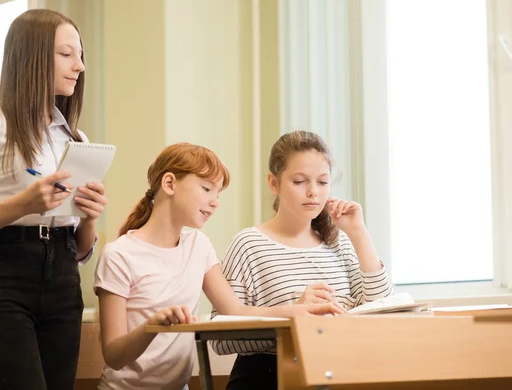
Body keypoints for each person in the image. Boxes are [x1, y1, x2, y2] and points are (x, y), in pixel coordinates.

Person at [0, 9, 107, 390]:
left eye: (80, 55)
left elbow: (79, 251)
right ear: (31, 56)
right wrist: (24, 204)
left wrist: (90, 218)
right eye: (66, 54)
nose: (80, 66)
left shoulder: (75, 139)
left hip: (64, 279)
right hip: (6, 279)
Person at [93, 142, 344, 390]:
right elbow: (114, 355)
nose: (214, 202)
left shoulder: (199, 246)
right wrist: (154, 324)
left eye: (218, 193)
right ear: (169, 184)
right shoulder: (119, 255)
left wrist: (294, 310)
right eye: (206, 189)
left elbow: (235, 311)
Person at [211, 130, 394, 390]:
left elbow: (384, 309)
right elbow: (221, 339)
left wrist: (358, 233)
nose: (313, 192)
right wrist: (292, 319)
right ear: (274, 183)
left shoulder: (340, 241)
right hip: (267, 377)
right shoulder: (249, 245)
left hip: (340, 373)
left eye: (322, 182)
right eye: (299, 181)